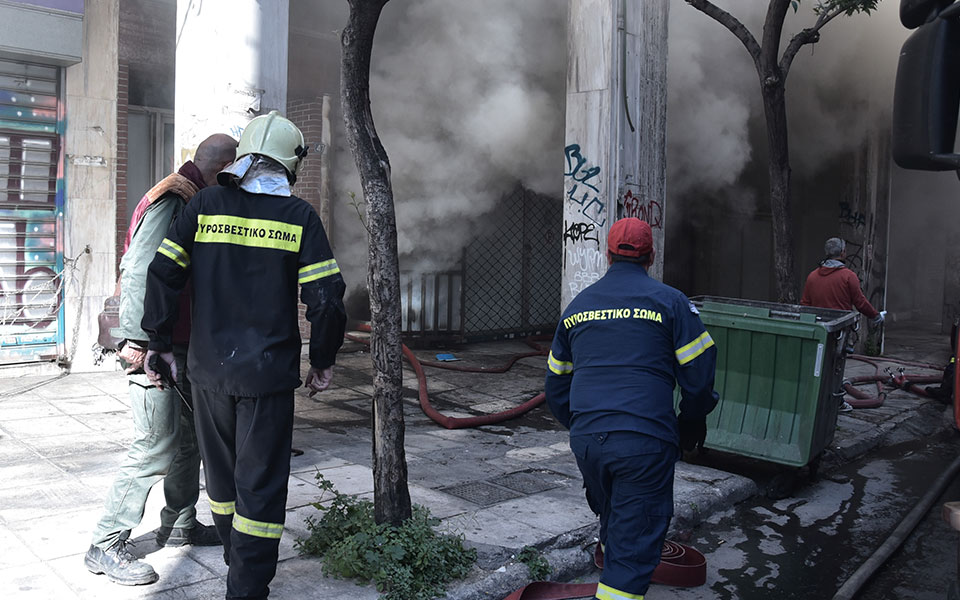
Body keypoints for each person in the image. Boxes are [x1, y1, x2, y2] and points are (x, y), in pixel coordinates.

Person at [141, 111, 347, 600]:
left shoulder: (205, 204)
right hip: (267, 377)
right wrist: (323, 359)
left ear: (245, 156)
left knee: (222, 481)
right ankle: (247, 588)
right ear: (290, 164)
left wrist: (158, 342)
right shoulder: (299, 217)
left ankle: (237, 562)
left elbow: (163, 272)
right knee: (261, 484)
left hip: (208, 370)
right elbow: (326, 299)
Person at [84, 134, 238, 586]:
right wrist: (139, 339)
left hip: (179, 342)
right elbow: (139, 269)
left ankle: (181, 523)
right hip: (154, 345)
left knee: (188, 441)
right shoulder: (175, 198)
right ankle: (105, 542)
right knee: (156, 443)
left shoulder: (193, 195)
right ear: (223, 168)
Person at [544, 217, 719, 600]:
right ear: (651, 257)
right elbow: (699, 377)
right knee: (635, 542)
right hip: (644, 442)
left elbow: (556, 386)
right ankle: (619, 584)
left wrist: (584, 425)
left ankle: (612, 558)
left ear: (607, 256)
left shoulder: (577, 308)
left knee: (616, 513)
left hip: (588, 442)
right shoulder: (671, 303)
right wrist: (690, 422)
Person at [800, 237, 884, 324]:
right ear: (842, 253)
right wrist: (876, 316)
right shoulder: (849, 276)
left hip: (818, 328)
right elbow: (860, 303)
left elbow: (805, 305)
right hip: (841, 328)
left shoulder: (812, 276)